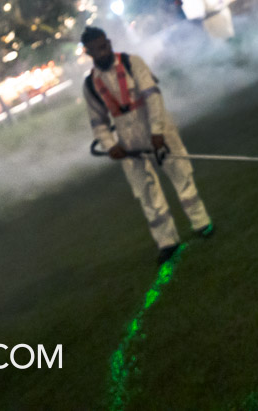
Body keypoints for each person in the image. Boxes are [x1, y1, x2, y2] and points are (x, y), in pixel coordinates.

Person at [80, 27, 213, 263]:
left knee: (181, 175)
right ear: (88, 52)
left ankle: (201, 223)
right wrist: (111, 145)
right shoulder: (91, 84)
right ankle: (167, 242)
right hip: (127, 139)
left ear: (109, 42)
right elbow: (98, 121)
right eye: (96, 50)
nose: (102, 53)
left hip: (156, 128)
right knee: (145, 191)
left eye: (104, 46)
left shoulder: (133, 63)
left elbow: (152, 97)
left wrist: (157, 131)